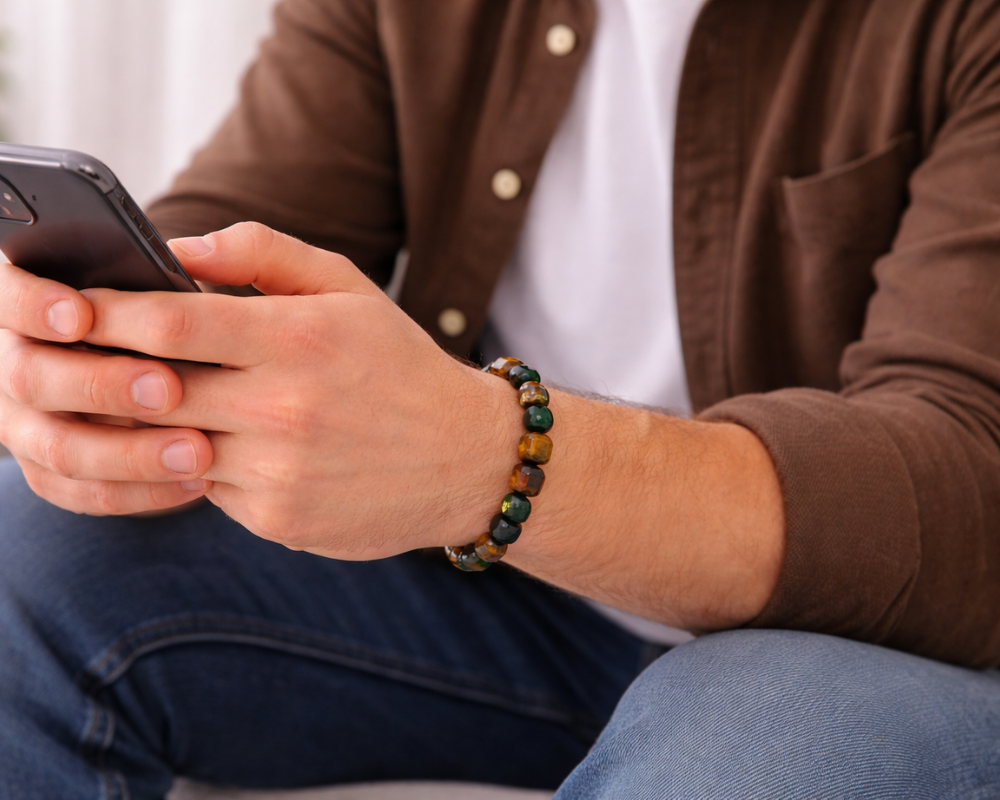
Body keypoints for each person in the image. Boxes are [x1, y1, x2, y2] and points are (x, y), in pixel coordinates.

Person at [1, 0, 999, 797]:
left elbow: (974, 484)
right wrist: (111, 351)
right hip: (515, 597)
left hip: (864, 642)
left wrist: (486, 456)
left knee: (750, 748)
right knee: (21, 546)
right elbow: (255, 220)